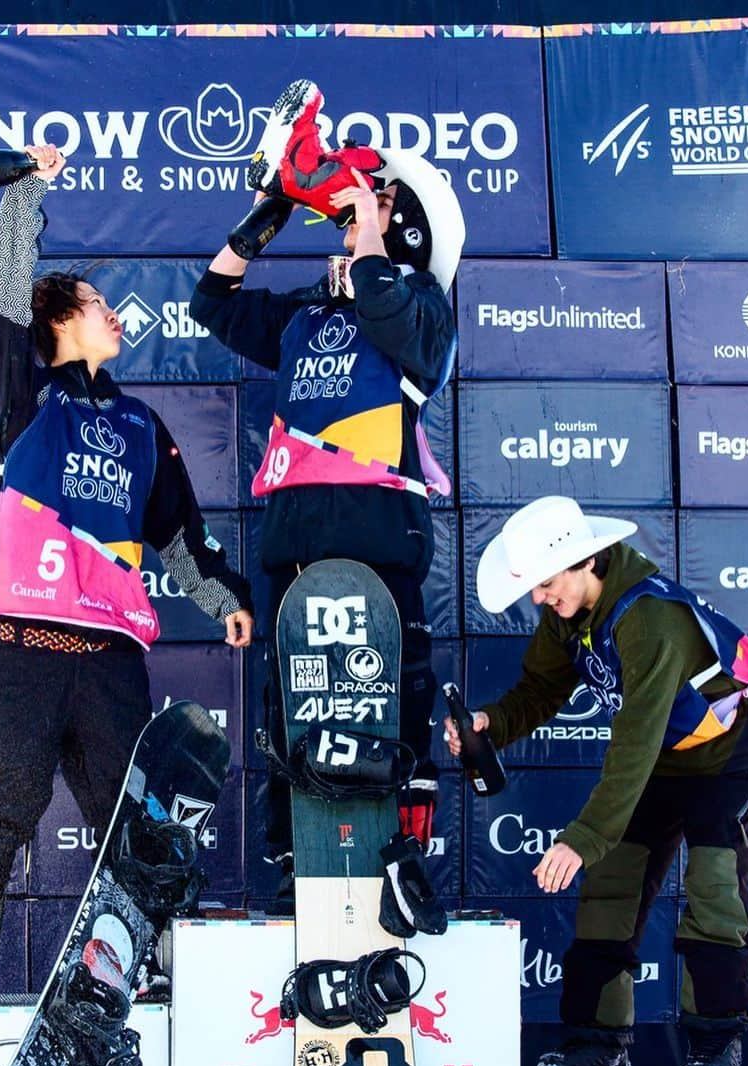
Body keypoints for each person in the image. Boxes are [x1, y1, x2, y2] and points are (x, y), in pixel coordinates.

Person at [0, 144, 254, 1006]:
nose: (115, 315)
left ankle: (132, 967)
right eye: (100, 302)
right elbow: (3, 292)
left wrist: (222, 599)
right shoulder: (23, 396)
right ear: (61, 318)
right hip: (24, 650)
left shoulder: (144, 425)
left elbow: (179, 535)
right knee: (0, 809)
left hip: (111, 659)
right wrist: (28, 191)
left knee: (133, 829)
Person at [190, 81, 465, 901]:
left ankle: (401, 858)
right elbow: (213, 303)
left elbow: (383, 300)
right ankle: (292, 859)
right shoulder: (311, 311)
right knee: (291, 693)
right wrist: (266, 215)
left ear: (400, 227)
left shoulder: (425, 308)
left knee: (396, 686)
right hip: (296, 529)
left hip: (380, 522)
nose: (344, 226)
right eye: (346, 218)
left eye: (361, 214)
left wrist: (373, 230)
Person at [445, 495, 748, 1066]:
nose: (540, 599)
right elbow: (539, 691)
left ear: (587, 562)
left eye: (547, 584)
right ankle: (596, 1049)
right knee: (611, 887)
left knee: (713, 887)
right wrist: (489, 726)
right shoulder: (566, 613)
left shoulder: (650, 620)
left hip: (729, 750)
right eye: (535, 589)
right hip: (663, 751)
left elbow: (633, 745)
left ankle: (714, 1049)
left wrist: (583, 836)